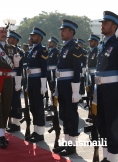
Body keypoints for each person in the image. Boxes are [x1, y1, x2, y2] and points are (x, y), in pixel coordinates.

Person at [53, 19, 82, 156]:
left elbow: (77, 71)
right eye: (61, 30)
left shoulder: (75, 48)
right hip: (62, 85)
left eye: (63, 30)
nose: (61, 32)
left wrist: (76, 91)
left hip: (70, 86)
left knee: (71, 115)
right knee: (64, 115)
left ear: (71, 32)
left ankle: (72, 146)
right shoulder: (64, 47)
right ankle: (66, 143)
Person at [95, 11, 118, 162]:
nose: (102, 25)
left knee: (112, 125)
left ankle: (114, 158)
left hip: (113, 90)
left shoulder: (116, 44)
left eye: (106, 23)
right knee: (101, 123)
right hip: (100, 89)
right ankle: (106, 157)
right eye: (102, 23)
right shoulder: (102, 44)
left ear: (114, 26)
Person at [24, 27, 48, 142]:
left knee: (38, 107)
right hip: (31, 80)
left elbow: (44, 69)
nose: (31, 37)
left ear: (39, 37)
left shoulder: (42, 50)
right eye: (31, 35)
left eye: (33, 35)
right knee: (33, 107)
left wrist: (44, 85)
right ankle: (36, 130)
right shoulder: (32, 50)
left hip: (38, 80)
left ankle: (40, 133)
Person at [6, 31, 23, 132]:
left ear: (15, 40)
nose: (9, 40)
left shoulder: (18, 52)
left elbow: (19, 69)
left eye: (11, 39)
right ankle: (10, 121)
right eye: (9, 38)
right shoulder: (5, 50)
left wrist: (18, 83)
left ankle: (16, 123)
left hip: (15, 79)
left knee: (15, 101)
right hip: (6, 78)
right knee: (7, 101)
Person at [45, 37, 59, 110]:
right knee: (50, 89)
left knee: (53, 89)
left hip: (53, 72)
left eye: (50, 42)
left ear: (54, 43)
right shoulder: (49, 51)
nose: (49, 43)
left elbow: (58, 63)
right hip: (48, 72)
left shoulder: (56, 52)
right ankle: (51, 104)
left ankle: (54, 104)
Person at [77, 39, 87, 103]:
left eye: (80, 44)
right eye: (78, 43)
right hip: (76, 68)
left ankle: (80, 96)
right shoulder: (75, 50)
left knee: (81, 83)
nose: (79, 45)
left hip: (81, 68)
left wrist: (83, 70)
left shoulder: (84, 51)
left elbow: (84, 61)